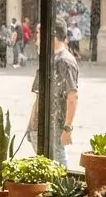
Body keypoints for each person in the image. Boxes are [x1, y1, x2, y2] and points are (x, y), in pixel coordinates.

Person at [26, 17, 78, 166]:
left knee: (58, 167)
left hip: (54, 127)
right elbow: (39, 96)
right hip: (41, 126)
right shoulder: (50, 59)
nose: (37, 39)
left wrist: (67, 128)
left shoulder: (64, 61)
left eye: (39, 33)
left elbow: (72, 96)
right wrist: (31, 125)